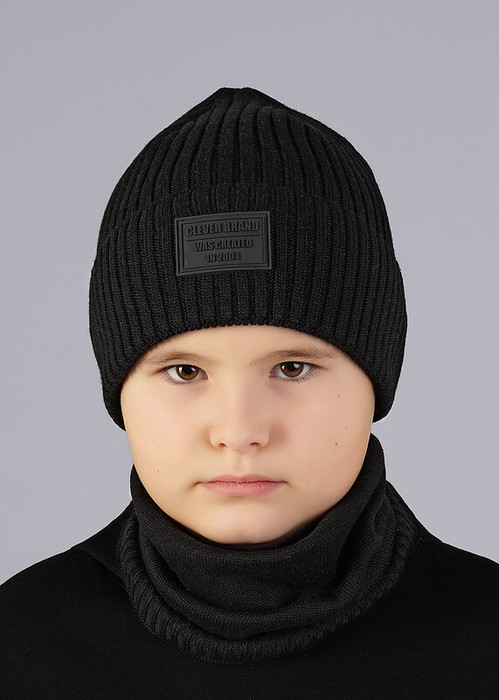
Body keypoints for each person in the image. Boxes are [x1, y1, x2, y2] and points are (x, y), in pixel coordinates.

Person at [1, 86, 498, 699]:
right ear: (119, 390)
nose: (239, 431)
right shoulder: (20, 643)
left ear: (377, 380)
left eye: (292, 368)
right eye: (185, 372)